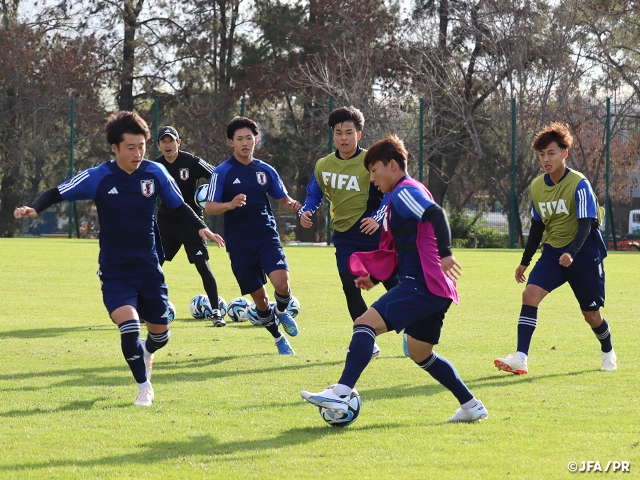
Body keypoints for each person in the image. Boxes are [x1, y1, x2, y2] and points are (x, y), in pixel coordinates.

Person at [14, 111, 224, 406]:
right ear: (114, 147)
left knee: (160, 336)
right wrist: (34, 208)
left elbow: (179, 206)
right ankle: (144, 387)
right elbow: (57, 192)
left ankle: (148, 350)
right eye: (130, 147)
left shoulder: (155, 173)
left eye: (141, 146)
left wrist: (202, 228)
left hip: (149, 268)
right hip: (115, 270)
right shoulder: (98, 177)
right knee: (128, 326)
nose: (138, 153)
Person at [301, 134, 488, 422]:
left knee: (364, 324)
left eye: (374, 170)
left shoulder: (404, 192)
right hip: (434, 287)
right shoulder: (398, 197)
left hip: (423, 283)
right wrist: (374, 278)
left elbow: (435, 214)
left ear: (392, 165)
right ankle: (471, 405)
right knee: (420, 353)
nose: (372, 178)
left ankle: (341, 392)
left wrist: (447, 253)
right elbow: (402, 248)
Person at [495, 122, 615, 374]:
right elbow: (537, 228)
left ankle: (608, 352)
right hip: (553, 253)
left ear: (564, 153)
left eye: (551, 153)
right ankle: (520, 357)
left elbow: (586, 225)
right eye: (541, 154)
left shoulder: (579, 184)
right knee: (530, 295)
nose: (546, 159)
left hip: (584, 254)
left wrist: (571, 253)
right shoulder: (537, 187)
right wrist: (525, 261)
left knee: (591, 315)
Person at [299, 106, 400, 358]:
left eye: (349, 132)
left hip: (372, 233)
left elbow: (390, 191)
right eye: (338, 132)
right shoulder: (323, 164)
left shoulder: (371, 162)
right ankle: (368, 340)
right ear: (333, 135)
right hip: (344, 235)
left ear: (359, 134)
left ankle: (412, 329)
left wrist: (377, 218)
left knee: (392, 283)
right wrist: (307, 210)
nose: (343, 137)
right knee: (349, 283)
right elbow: (314, 192)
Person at [204, 116, 301, 355]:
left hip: (266, 235)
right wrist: (230, 204)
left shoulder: (265, 170)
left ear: (255, 139)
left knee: (282, 283)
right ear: (231, 143)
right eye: (240, 139)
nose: (245, 143)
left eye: (249, 138)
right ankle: (278, 338)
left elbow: (283, 198)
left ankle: (281, 310)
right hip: (239, 243)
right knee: (260, 300)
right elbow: (209, 206)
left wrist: (294, 205)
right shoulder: (222, 172)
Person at [154, 126, 225, 327]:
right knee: (152, 266)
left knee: (203, 266)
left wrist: (216, 194)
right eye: (164, 141)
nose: (168, 145)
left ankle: (216, 312)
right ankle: (145, 310)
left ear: (179, 142)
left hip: (193, 224)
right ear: (159, 145)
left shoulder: (190, 161)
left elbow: (218, 174)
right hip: (166, 224)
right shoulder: (154, 166)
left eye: (171, 141)